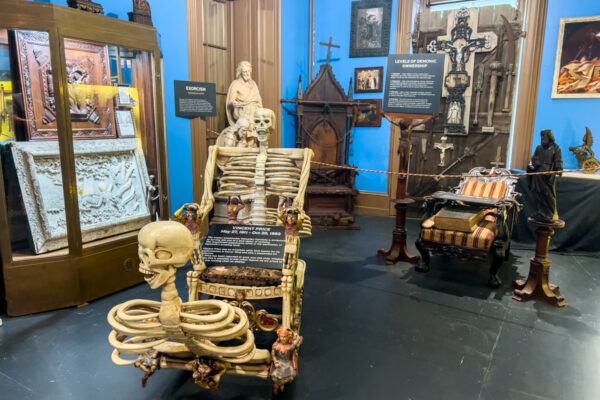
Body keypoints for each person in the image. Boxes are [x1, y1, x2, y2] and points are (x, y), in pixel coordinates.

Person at [527, 129, 563, 223]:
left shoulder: (556, 148)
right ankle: (540, 212)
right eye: (541, 137)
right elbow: (532, 160)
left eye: (544, 137)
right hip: (537, 174)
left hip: (547, 176)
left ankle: (550, 214)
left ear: (550, 137)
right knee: (536, 193)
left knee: (547, 195)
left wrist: (558, 169)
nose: (542, 139)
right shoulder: (539, 148)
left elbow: (558, 162)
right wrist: (531, 166)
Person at [225, 61, 262, 126]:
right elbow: (230, 103)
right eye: (245, 71)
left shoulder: (253, 84)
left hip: (255, 116)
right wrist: (233, 104)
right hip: (243, 116)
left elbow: (259, 101)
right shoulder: (236, 84)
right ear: (240, 72)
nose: (248, 74)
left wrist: (261, 113)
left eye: (249, 71)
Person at [270, 327, 302, 394]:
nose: (283, 338)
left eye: (285, 337)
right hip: (278, 363)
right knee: (276, 376)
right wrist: (275, 362)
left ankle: (281, 384)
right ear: (279, 336)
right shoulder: (275, 345)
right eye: (281, 336)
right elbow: (273, 355)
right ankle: (278, 384)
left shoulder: (291, 346)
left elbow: (298, 338)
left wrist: (291, 331)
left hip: (287, 363)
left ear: (288, 337)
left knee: (288, 376)